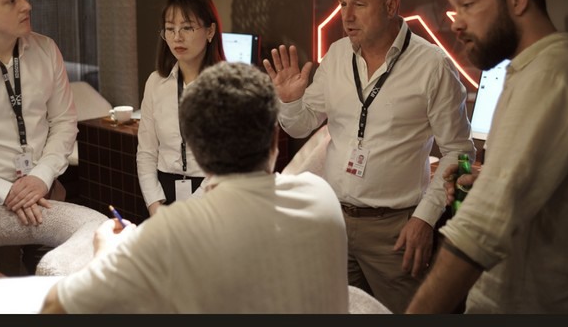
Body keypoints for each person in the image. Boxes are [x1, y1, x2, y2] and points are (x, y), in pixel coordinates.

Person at [40, 62, 349, 314]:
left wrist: (106, 254)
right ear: (273, 140)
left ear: (197, 152)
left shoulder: (170, 232)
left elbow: (55, 307)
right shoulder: (320, 196)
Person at [263, 0, 476, 313]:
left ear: (391, 6)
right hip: (333, 220)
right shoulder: (337, 55)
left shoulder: (433, 66)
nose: (346, 16)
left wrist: (425, 218)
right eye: (342, 4)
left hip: (395, 229)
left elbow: (457, 152)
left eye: (359, 4)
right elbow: (301, 125)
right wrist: (289, 101)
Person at [406, 0, 568, 314]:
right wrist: (488, 179)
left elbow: (481, 226)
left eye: (467, 4)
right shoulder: (527, 71)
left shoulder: (550, 74)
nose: (456, 22)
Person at [0, 0, 78, 272]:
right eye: (11, 0)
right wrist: (4, 190)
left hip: (46, 189)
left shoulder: (46, 50)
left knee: (61, 279)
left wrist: (41, 176)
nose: (27, 6)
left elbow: (63, 122)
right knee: (4, 284)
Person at [137, 0, 226, 217]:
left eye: (187, 27)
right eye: (170, 28)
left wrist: (186, 212)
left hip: (213, 196)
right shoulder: (155, 82)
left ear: (210, 31)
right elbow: (146, 152)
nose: (177, 37)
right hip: (164, 195)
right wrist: (154, 205)